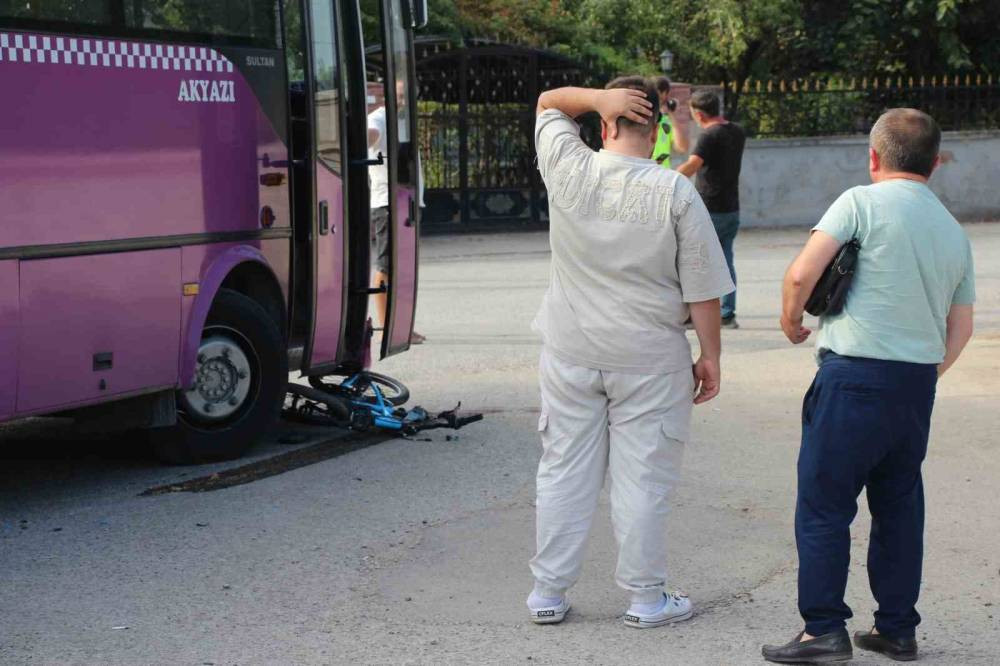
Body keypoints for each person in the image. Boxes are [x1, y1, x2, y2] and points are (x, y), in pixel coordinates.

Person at [762, 108, 976, 664]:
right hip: (914, 386)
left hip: (852, 378)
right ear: (934, 163)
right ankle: (897, 629)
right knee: (899, 505)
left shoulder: (860, 202)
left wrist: (790, 321)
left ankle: (823, 631)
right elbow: (962, 324)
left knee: (825, 506)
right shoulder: (953, 229)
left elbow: (800, 275)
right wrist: (926, 373)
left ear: (874, 157)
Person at [527, 78, 735, 629]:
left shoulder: (569, 168)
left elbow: (549, 102)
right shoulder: (674, 191)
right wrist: (709, 355)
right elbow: (703, 290)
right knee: (644, 477)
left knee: (564, 469)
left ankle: (548, 590)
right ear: (659, 127)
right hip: (650, 358)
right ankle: (645, 598)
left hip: (571, 350)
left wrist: (594, 97)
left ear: (605, 123)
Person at [676, 89, 745, 329]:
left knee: (696, 260)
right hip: (731, 207)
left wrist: (666, 179)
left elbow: (693, 165)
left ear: (700, 114)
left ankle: (692, 313)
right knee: (725, 259)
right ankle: (727, 313)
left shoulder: (709, 136)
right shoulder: (737, 132)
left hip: (710, 208)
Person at [367, 92, 426, 344]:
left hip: (407, 204)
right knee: (386, 266)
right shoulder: (378, 118)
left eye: (409, 95)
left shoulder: (405, 122)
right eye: (400, 95)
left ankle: (401, 326)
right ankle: (386, 328)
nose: (404, 100)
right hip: (387, 206)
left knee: (401, 268)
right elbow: (371, 134)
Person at [651, 76, 690, 169]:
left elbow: (682, 147)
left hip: (660, 172)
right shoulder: (640, 117)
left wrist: (672, 114)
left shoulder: (667, 120)